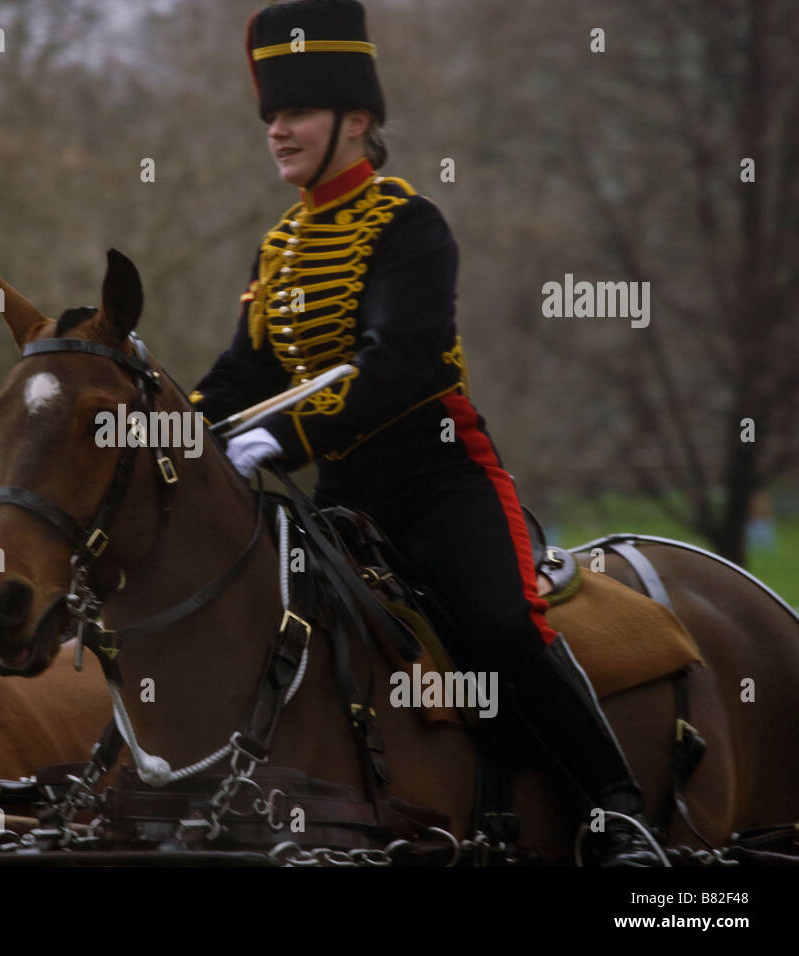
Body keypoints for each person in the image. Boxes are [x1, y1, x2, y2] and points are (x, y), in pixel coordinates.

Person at [188, 0, 660, 866]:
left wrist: (282, 438)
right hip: (344, 505)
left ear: (357, 122)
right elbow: (243, 376)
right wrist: (171, 431)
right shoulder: (281, 249)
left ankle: (616, 808)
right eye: (271, 117)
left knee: (498, 624)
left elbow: (402, 363)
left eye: (295, 113)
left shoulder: (407, 227)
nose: (278, 131)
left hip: (442, 484)